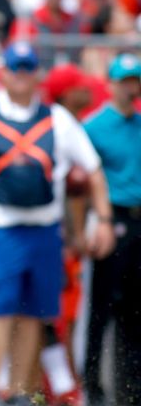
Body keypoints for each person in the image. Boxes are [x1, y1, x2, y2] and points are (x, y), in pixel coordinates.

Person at [0, 42, 114, 406]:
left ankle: (16, 390)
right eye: (16, 68)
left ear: (37, 74)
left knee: (35, 312)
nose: (21, 75)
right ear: (4, 73)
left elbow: (92, 169)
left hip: (43, 228)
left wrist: (104, 219)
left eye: (28, 68)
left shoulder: (55, 118)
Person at [81, 53, 141, 406]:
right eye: (124, 81)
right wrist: (92, 223)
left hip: (137, 221)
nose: (130, 87)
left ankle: (130, 388)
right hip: (111, 218)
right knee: (102, 307)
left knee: (135, 311)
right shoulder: (94, 126)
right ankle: (94, 387)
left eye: (134, 80)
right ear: (111, 85)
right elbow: (81, 183)